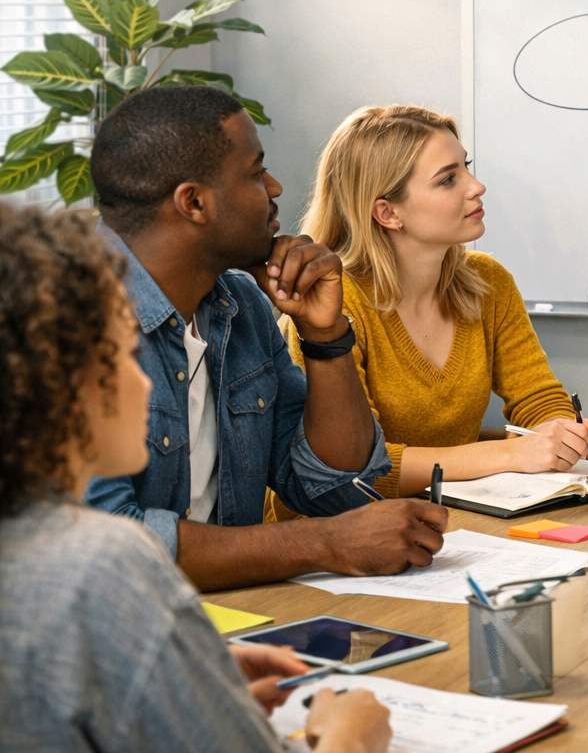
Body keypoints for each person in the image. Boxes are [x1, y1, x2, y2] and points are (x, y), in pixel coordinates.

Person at [0, 204, 392, 752]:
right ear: (53, 381)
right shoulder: (104, 559)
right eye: (123, 351)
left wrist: (176, 675)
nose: (146, 380)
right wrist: (351, 736)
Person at [83, 86, 449, 590]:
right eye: (256, 173)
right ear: (194, 202)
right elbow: (103, 547)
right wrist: (326, 544)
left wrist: (325, 335)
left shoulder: (241, 305)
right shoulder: (59, 325)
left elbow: (337, 490)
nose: (275, 187)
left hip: (233, 618)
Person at [265, 104, 588, 519]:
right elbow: (359, 471)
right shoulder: (331, 306)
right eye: (448, 179)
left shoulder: (488, 282)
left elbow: (538, 397)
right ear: (388, 213)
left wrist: (555, 430)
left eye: (465, 167)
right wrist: (510, 453)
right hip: (328, 536)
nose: (477, 186)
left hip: (444, 519)